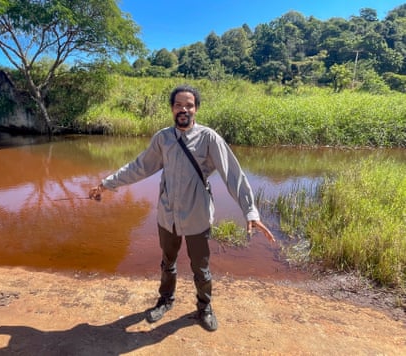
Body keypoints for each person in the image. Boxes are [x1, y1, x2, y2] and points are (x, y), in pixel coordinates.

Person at [89, 85, 275, 332]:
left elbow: (233, 174)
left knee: (201, 267)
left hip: (197, 215)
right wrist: (106, 184)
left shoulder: (209, 138)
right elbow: (139, 167)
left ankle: (204, 307)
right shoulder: (162, 138)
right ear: (172, 108)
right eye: (178, 105)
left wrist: (250, 211)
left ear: (196, 108)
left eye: (189, 105)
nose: (183, 109)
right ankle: (165, 301)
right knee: (168, 262)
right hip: (167, 216)